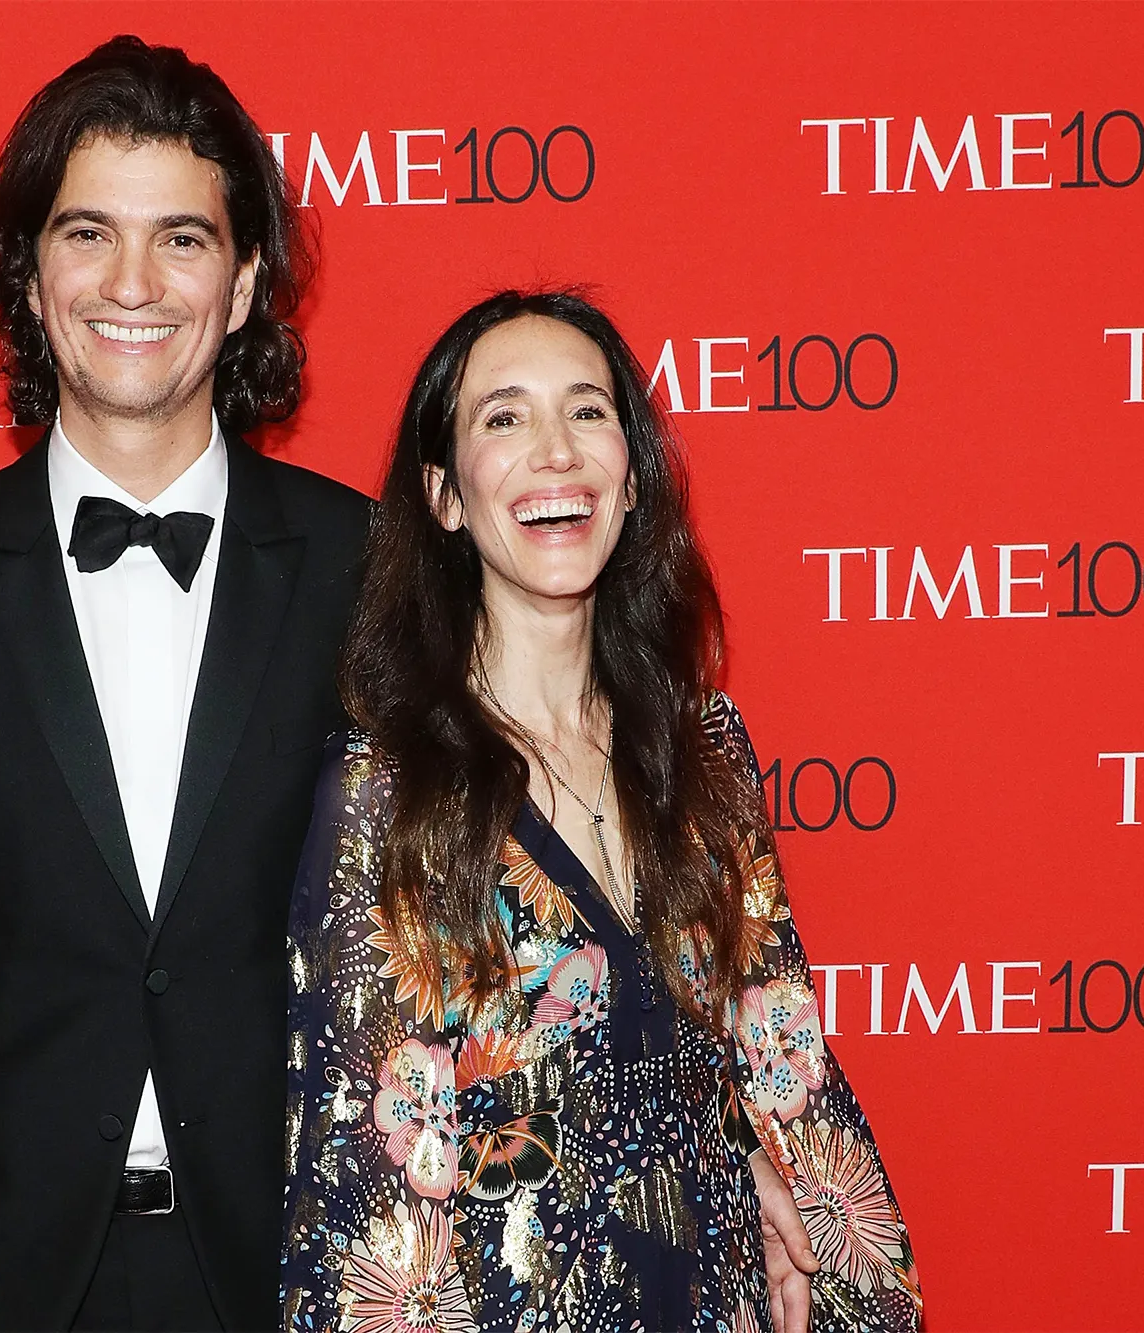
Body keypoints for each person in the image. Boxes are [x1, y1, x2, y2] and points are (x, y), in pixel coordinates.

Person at [0, 37, 371, 1331]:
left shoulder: (368, 572)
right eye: (88, 233)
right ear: (29, 277)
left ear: (243, 284)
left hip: (289, 1272)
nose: (131, 283)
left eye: (181, 239)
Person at [279, 291, 921, 1332]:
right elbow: (367, 1174)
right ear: (445, 495)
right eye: (504, 417)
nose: (555, 452)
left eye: (587, 411)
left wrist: (767, 1168)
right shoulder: (387, 790)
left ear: (630, 477)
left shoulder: (702, 745)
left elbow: (779, 1052)